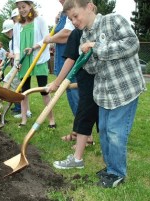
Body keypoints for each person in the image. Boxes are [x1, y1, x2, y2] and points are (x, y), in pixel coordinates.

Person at [63, 0, 146, 188]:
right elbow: (92, 69)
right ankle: (110, 168)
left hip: (124, 90)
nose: (74, 22)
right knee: (105, 132)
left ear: (90, 7)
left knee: (116, 133)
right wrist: (86, 56)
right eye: (70, 19)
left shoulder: (113, 20)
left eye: (76, 16)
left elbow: (132, 44)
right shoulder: (84, 37)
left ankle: (117, 173)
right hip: (103, 93)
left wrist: (97, 48)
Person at [49, 28, 98, 172]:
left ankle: (79, 156)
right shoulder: (79, 32)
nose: (74, 20)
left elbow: (71, 59)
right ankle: (79, 151)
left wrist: (57, 82)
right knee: (83, 114)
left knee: (86, 114)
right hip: (85, 81)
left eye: (74, 16)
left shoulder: (78, 32)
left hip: (93, 83)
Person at [44, 0, 82, 141]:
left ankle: (86, 135)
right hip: (65, 62)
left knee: (76, 98)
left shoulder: (75, 9)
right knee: (73, 98)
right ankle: (77, 131)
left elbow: (68, 34)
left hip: (71, 64)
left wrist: (50, 38)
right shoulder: (64, 13)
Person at [13, 0, 55, 128]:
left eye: (24, 7)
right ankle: (24, 120)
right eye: (19, 8)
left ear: (30, 6)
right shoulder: (17, 26)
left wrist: (34, 47)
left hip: (38, 59)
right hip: (24, 61)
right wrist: (17, 61)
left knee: (44, 90)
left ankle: (51, 120)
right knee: (24, 92)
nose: (21, 10)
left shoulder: (40, 20)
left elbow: (46, 38)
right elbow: (16, 46)